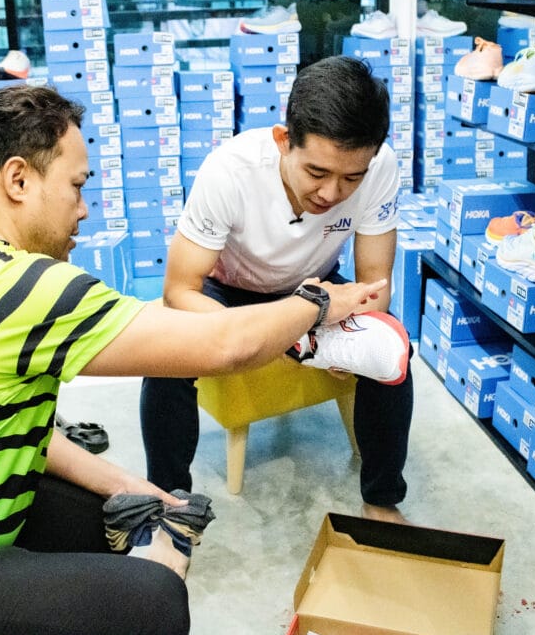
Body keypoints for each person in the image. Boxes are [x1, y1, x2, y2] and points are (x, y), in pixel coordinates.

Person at [0, 85, 390, 635]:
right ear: (18, 180)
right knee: (153, 598)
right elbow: (224, 347)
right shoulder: (18, 288)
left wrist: (136, 486)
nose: (83, 209)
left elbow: (9, 428)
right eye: (77, 186)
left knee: (125, 519)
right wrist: (319, 303)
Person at [140, 56, 414, 523]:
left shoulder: (380, 166)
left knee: (392, 349)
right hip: (226, 293)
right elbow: (179, 290)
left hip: (318, 294)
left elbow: (374, 285)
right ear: (284, 140)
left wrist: (341, 329)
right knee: (164, 357)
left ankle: (381, 501)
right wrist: (278, 331)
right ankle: (166, 505)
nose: (331, 194)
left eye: (352, 178)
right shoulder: (229, 171)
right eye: (316, 172)